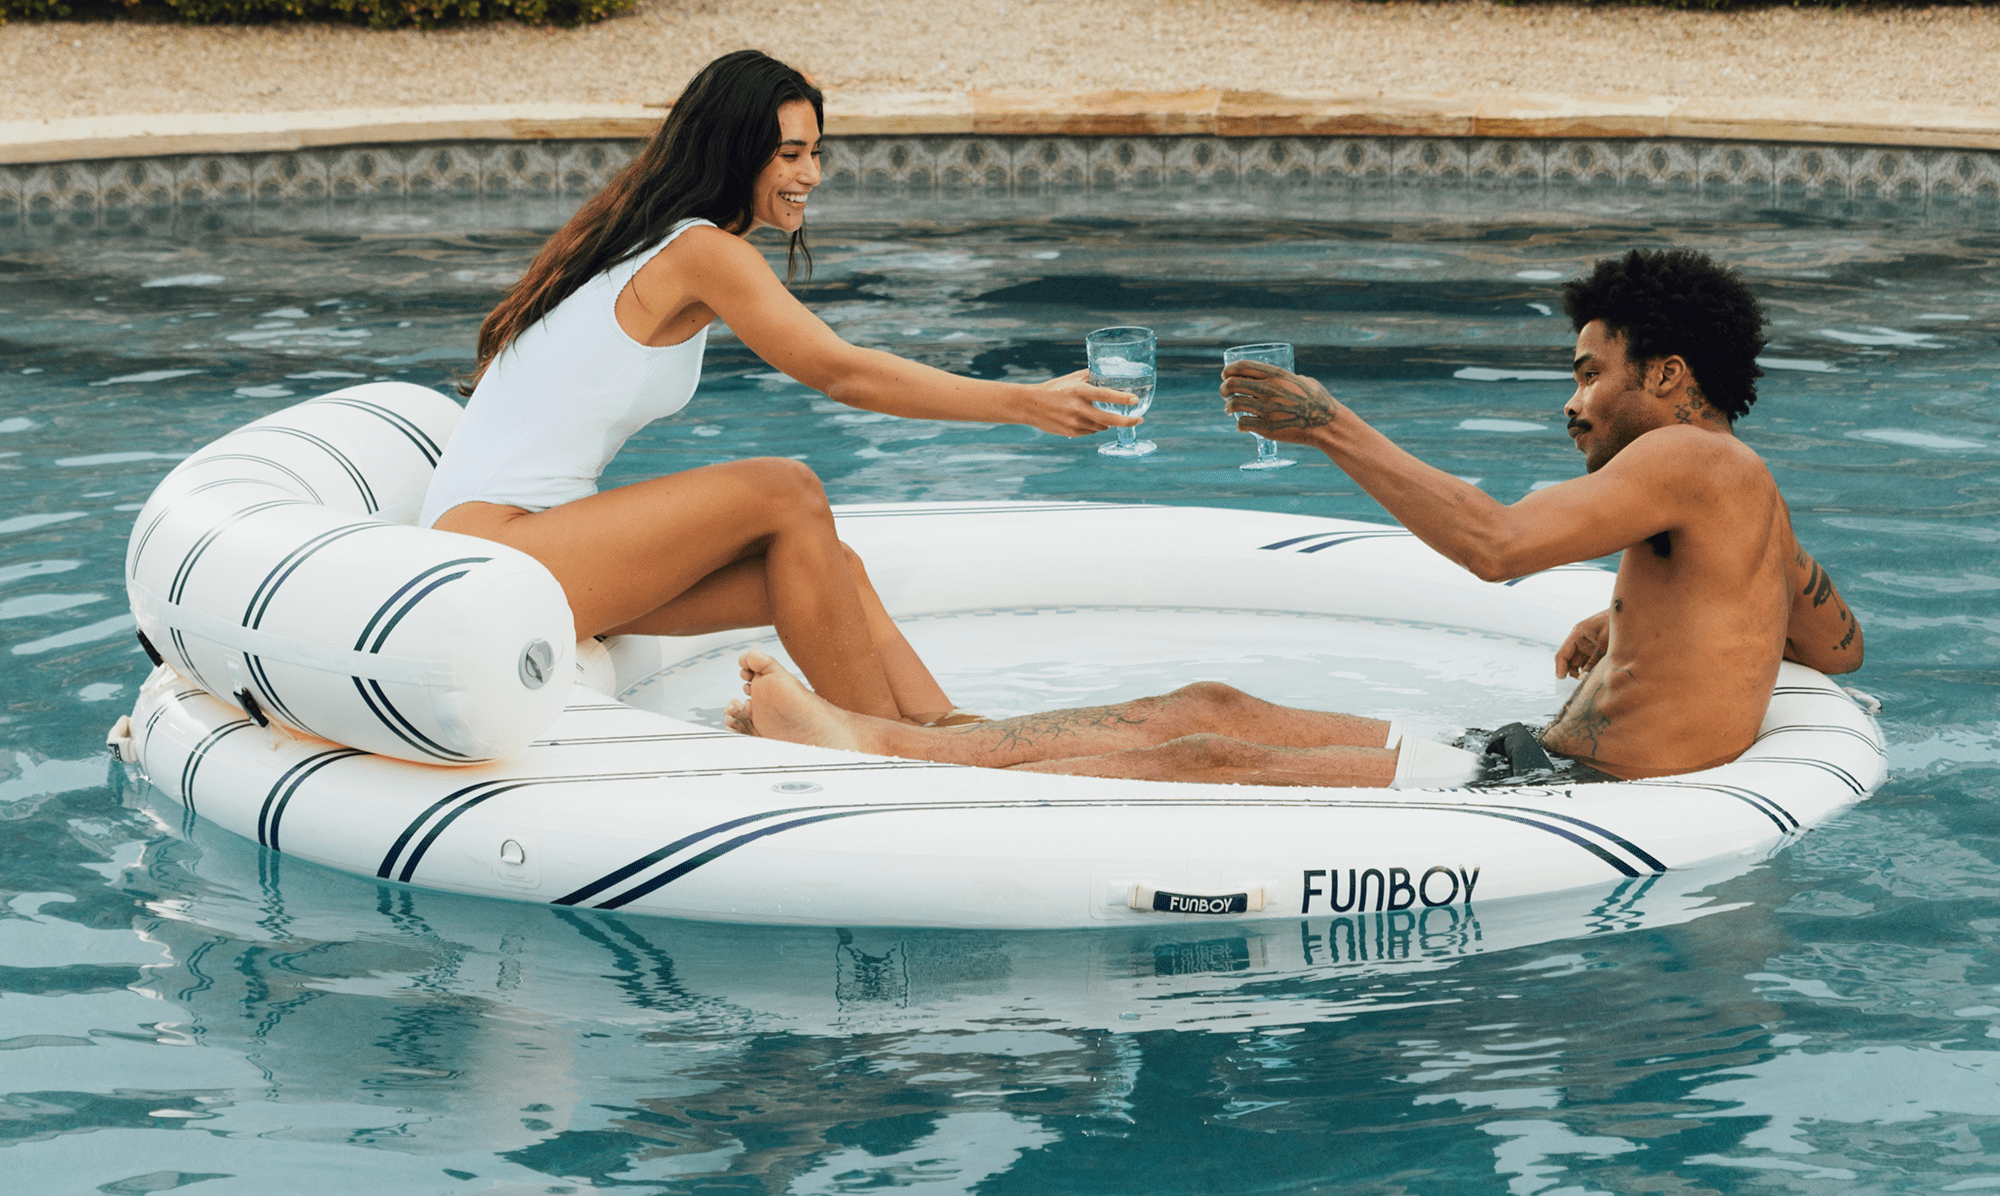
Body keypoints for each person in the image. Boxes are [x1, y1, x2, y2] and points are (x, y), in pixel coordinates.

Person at [729, 247, 1866, 785]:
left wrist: (1326, 423)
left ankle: (870, 746)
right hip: (1519, 760)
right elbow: (1839, 641)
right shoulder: (1734, 487)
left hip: (1551, 797)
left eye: (1589, 372)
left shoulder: (1681, 458)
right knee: (1207, 703)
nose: (1570, 402)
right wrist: (1643, 629)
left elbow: (1496, 545)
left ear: (1668, 377)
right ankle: (934, 735)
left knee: (1206, 749)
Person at [422, 49, 1138, 725]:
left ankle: (950, 729)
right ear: (733, 153)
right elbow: (841, 372)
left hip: (538, 542)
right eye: (790, 153)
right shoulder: (701, 250)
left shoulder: (655, 237)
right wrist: (1024, 403)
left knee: (831, 566)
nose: (812, 174)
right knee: (784, 489)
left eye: (816, 151)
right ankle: (888, 754)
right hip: (493, 554)